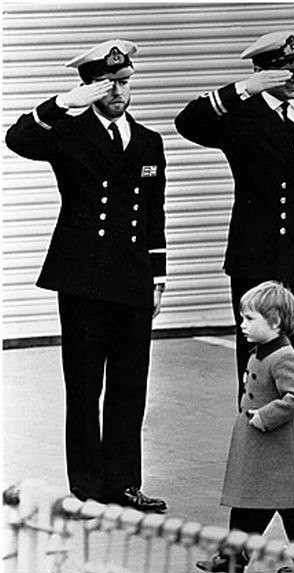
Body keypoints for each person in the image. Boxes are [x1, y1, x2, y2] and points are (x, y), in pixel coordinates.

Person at [5, 39, 168, 511]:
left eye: (123, 82)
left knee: (129, 385)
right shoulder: (69, 132)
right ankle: (87, 487)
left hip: (133, 278)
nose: (118, 90)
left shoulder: (148, 140)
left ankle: (123, 483)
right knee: (83, 386)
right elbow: (18, 139)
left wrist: (157, 275)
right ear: (89, 86)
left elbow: (153, 214)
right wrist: (60, 106)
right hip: (82, 278)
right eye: (107, 83)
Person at [175, 30, 294, 405]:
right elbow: (187, 122)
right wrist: (243, 89)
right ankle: (252, 445)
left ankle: (288, 453)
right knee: (254, 363)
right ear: (264, 73)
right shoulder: (240, 117)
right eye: (287, 71)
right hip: (257, 256)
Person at [196, 281, 294, 573]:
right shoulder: (260, 352)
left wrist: (265, 416)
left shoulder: (283, 356)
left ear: (275, 322)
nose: (241, 323)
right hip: (262, 446)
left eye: (249, 318)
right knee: (247, 500)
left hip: (280, 446)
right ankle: (233, 556)